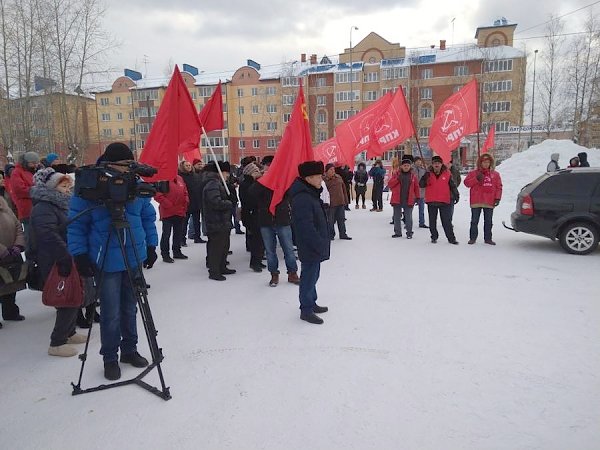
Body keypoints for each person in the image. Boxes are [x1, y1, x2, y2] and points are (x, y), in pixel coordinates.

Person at [68, 142, 159, 381]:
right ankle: (110, 357)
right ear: (109, 163)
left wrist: (151, 245)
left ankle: (130, 350)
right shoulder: (90, 184)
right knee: (111, 313)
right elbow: (76, 225)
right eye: (125, 165)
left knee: (130, 307)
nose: (128, 169)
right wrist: (79, 254)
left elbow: (148, 217)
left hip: (134, 256)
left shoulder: (135, 184)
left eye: (131, 164)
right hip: (106, 258)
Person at [29, 167, 87, 356]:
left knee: (74, 294)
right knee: (66, 297)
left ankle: (69, 332)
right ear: (52, 186)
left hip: (67, 255)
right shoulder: (43, 207)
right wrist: (65, 256)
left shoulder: (62, 204)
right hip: (55, 258)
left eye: (68, 185)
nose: (68, 188)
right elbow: (47, 235)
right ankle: (57, 342)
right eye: (64, 185)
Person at [289, 161, 330, 325]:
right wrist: (318, 242)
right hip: (310, 245)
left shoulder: (311, 193)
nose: (321, 179)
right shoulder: (303, 198)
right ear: (309, 178)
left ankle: (311, 302)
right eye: (318, 176)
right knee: (308, 277)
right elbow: (305, 226)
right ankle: (306, 309)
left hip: (315, 244)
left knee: (314, 275)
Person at [250, 162, 300, 287]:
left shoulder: (282, 181)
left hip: (282, 219)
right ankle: (274, 274)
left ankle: (292, 273)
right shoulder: (261, 182)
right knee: (270, 250)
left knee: (288, 249)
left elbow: (290, 193)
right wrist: (260, 180)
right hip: (266, 220)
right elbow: (251, 194)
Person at [202, 161, 236, 281]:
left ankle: (222, 266)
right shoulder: (212, 184)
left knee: (223, 245)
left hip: (222, 221)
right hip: (216, 221)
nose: (228, 175)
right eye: (226, 173)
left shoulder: (218, 183)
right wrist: (228, 202)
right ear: (221, 172)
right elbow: (215, 202)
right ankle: (214, 271)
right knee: (216, 247)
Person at [464, 153, 503, 245]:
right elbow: (466, 183)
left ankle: (488, 238)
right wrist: (476, 179)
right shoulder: (473, 173)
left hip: (489, 201)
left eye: (488, 162)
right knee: (474, 221)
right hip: (476, 201)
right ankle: (472, 238)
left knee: (488, 221)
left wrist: (497, 198)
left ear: (490, 163)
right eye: (484, 162)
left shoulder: (495, 174)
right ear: (480, 163)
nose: (486, 164)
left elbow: (499, 187)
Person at [420, 155, 459, 244]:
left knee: (446, 221)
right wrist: (424, 177)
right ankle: (434, 236)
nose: (436, 164)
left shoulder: (447, 173)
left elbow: (452, 185)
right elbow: (421, 185)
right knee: (432, 221)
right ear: (432, 164)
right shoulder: (428, 174)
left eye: (438, 163)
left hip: (444, 200)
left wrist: (456, 195)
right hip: (431, 200)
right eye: (435, 163)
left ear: (441, 164)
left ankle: (451, 238)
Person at [0, 194, 26, 327]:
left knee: (10, 281)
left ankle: (10, 311)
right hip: (3, 252)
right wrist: (3, 250)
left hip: (12, 251)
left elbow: (17, 224)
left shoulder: (3, 202)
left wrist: (18, 245)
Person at [155, 172, 189, 263]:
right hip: (168, 211)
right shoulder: (163, 178)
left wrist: (186, 200)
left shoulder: (179, 178)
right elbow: (157, 194)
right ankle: (165, 254)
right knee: (166, 234)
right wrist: (167, 204)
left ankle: (177, 251)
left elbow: (185, 191)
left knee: (178, 233)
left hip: (179, 210)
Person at [238, 162, 265, 272]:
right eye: (256, 171)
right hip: (251, 215)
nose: (258, 173)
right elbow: (250, 199)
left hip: (255, 214)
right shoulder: (246, 184)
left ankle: (258, 260)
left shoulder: (252, 183)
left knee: (260, 239)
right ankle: (255, 263)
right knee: (256, 240)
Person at [388, 158, 420, 239]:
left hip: (408, 200)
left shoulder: (413, 176)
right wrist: (397, 179)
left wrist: (418, 197)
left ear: (410, 166)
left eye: (408, 165)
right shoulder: (396, 174)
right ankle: (397, 232)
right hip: (397, 199)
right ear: (401, 166)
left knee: (408, 217)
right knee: (396, 217)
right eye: (404, 165)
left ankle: (409, 232)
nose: (406, 167)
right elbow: (390, 184)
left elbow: (416, 187)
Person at [11, 151, 40, 234]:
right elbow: (20, 190)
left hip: (35, 208)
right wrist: (37, 191)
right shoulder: (17, 172)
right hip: (26, 210)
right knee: (29, 235)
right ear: (26, 162)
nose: (35, 165)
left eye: (36, 163)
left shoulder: (31, 171)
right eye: (33, 163)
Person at [324, 163, 352, 240]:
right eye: (331, 169)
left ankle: (343, 234)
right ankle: (331, 235)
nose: (333, 171)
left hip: (340, 202)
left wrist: (346, 200)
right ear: (326, 171)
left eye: (333, 169)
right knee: (330, 221)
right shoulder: (324, 180)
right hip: (331, 204)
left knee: (341, 219)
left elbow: (344, 190)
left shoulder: (339, 177)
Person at [179, 161, 204, 246]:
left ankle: (197, 237)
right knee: (184, 222)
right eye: (186, 165)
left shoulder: (195, 176)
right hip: (186, 203)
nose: (189, 167)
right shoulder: (180, 177)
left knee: (197, 221)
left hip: (196, 202)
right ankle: (182, 239)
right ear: (182, 167)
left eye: (189, 165)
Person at [413, 157, 428, 228]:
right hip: (413, 192)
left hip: (421, 192)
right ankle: (407, 221)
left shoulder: (424, 169)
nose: (419, 162)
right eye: (417, 161)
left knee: (421, 209)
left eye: (420, 161)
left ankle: (422, 222)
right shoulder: (412, 169)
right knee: (409, 208)